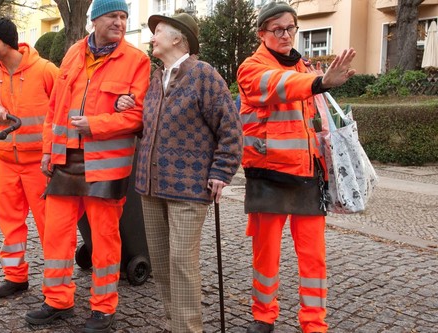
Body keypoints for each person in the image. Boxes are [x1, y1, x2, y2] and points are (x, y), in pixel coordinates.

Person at [24, 0, 150, 332]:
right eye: (113, 16)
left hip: (107, 168)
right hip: (66, 162)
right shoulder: (72, 54)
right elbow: (55, 109)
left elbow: (137, 116)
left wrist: (94, 125)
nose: (120, 22)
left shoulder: (137, 60)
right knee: (57, 235)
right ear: (95, 20)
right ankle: (57, 300)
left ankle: (104, 308)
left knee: (105, 239)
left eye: (124, 17)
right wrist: (48, 152)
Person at [117, 13, 242, 332]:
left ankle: (188, 329)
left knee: (182, 264)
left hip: (189, 189)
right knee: (161, 264)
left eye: (158, 31)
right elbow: (149, 126)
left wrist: (222, 171)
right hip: (150, 186)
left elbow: (230, 130)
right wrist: (128, 104)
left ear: (178, 38)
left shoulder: (204, 75)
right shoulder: (156, 79)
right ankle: (175, 324)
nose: (151, 37)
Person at [236, 2, 356, 333]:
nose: (286, 34)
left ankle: (314, 324)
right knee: (266, 258)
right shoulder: (251, 67)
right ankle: (263, 316)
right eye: (278, 29)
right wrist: (319, 82)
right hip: (268, 176)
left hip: (307, 176)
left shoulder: (306, 68)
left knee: (314, 259)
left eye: (291, 28)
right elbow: (276, 85)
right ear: (262, 34)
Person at [0, 17, 58, 299]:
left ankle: (57, 290)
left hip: (40, 166)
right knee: (10, 223)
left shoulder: (45, 70)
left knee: (51, 227)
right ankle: (15, 277)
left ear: (8, 42)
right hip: (7, 163)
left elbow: (63, 109)